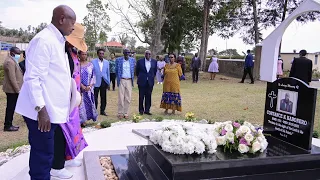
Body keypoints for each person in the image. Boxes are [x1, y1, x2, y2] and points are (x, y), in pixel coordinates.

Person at [15, 5, 77, 180]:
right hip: (41, 112)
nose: (73, 27)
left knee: (44, 153)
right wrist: (41, 110)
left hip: (51, 109)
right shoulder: (44, 40)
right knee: (43, 156)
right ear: (62, 19)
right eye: (72, 22)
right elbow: (33, 78)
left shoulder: (57, 40)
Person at [59, 23, 88, 173]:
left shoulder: (72, 51)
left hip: (74, 98)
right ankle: (58, 163)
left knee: (73, 129)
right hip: (64, 98)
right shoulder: (61, 51)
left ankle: (69, 157)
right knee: (64, 129)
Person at [3, 47, 23, 131]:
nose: (19, 55)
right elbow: (12, 78)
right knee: (10, 107)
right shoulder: (9, 62)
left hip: (14, 89)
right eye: (17, 54)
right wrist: (18, 90)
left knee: (14, 106)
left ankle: (9, 124)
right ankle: (8, 125)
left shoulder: (13, 60)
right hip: (12, 90)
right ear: (12, 53)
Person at [79, 50, 98, 126]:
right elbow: (75, 76)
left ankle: (87, 118)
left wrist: (89, 86)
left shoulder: (90, 65)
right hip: (80, 88)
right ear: (79, 55)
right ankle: (81, 120)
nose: (84, 56)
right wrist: (82, 86)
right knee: (81, 104)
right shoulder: (76, 65)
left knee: (89, 103)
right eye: (82, 54)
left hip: (89, 88)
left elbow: (93, 76)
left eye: (85, 54)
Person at [115, 49, 136, 119]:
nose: (127, 54)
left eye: (128, 52)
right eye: (126, 52)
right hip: (122, 80)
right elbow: (116, 70)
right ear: (123, 53)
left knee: (128, 98)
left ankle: (126, 113)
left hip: (129, 80)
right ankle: (120, 113)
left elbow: (134, 69)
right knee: (121, 97)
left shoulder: (132, 60)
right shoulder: (118, 60)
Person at [136, 50, 157, 115]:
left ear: (151, 55)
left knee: (148, 96)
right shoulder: (140, 61)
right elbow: (137, 71)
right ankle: (141, 110)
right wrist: (141, 77)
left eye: (149, 54)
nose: (148, 55)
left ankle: (147, 110)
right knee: (141, 96)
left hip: (150, 81)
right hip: (142, 81)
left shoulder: (154, 62)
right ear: (144, 54)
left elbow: (155, 71)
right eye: (146, 54)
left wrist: (151, 77)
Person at [92, 49, 110, 116]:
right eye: (100, 53)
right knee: (95, 97)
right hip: (96, 82)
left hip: (104, 82)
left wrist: (108, 83)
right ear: (97, 54)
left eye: (102, 53)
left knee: (103, 97)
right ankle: (94, 111)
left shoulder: (107, 62)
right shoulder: (93, 62)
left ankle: (102, 111)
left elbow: (108, 73)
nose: (101, 55)